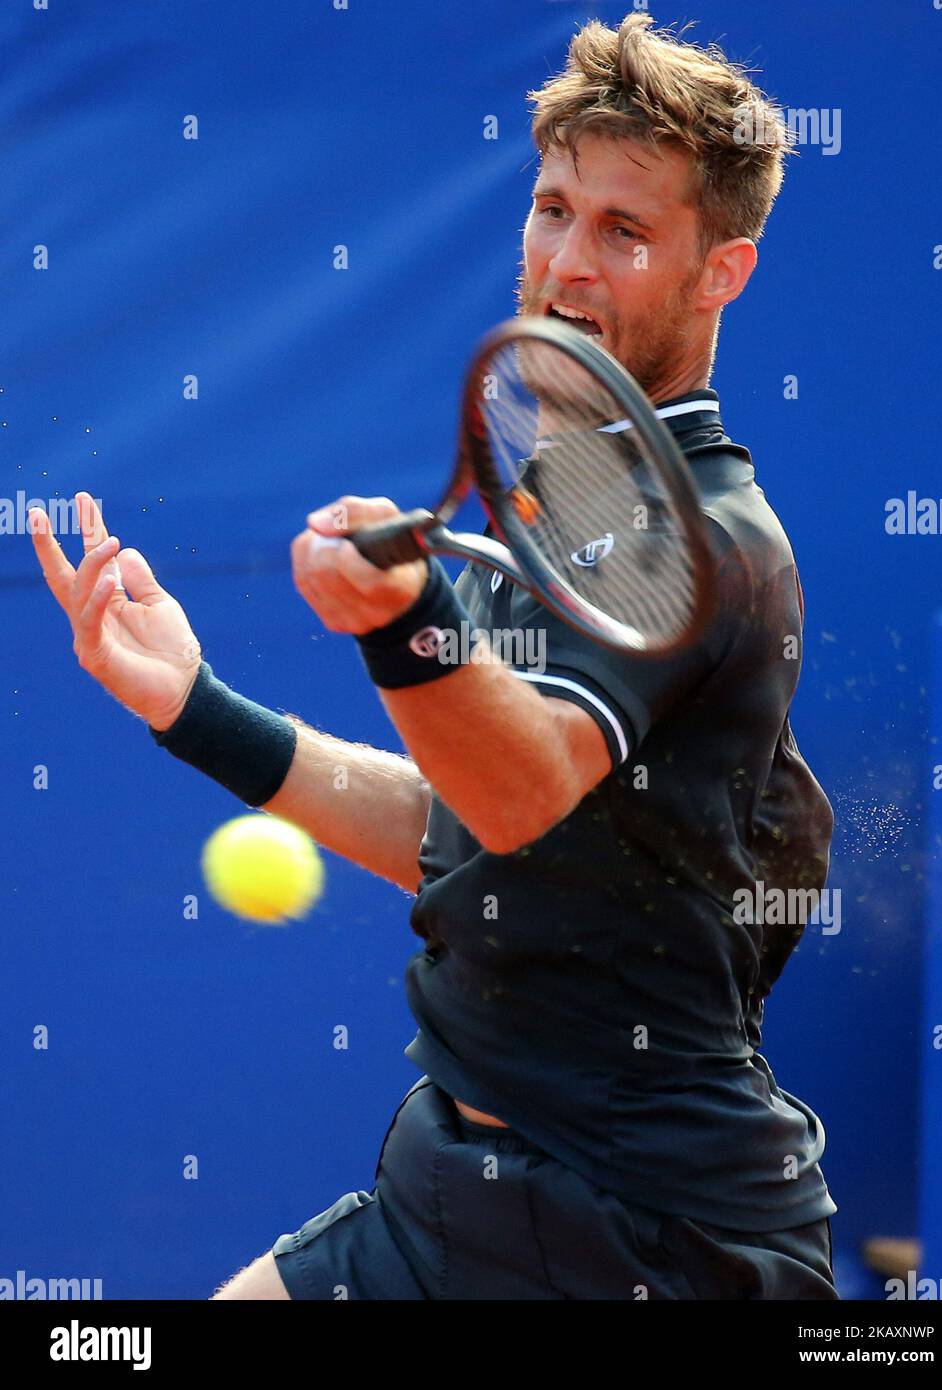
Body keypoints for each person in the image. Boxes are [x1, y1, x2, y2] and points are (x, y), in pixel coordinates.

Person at [29, 14, 838, 1299]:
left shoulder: (710, 541)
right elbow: (465, 824)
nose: (567, 264)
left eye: (624, 232)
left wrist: (404, 629)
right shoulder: (563, 502)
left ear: (719, 271)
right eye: (553, 208)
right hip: (454, 1182)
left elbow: (520, 793)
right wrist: (195, 708)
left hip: (649, 1230)